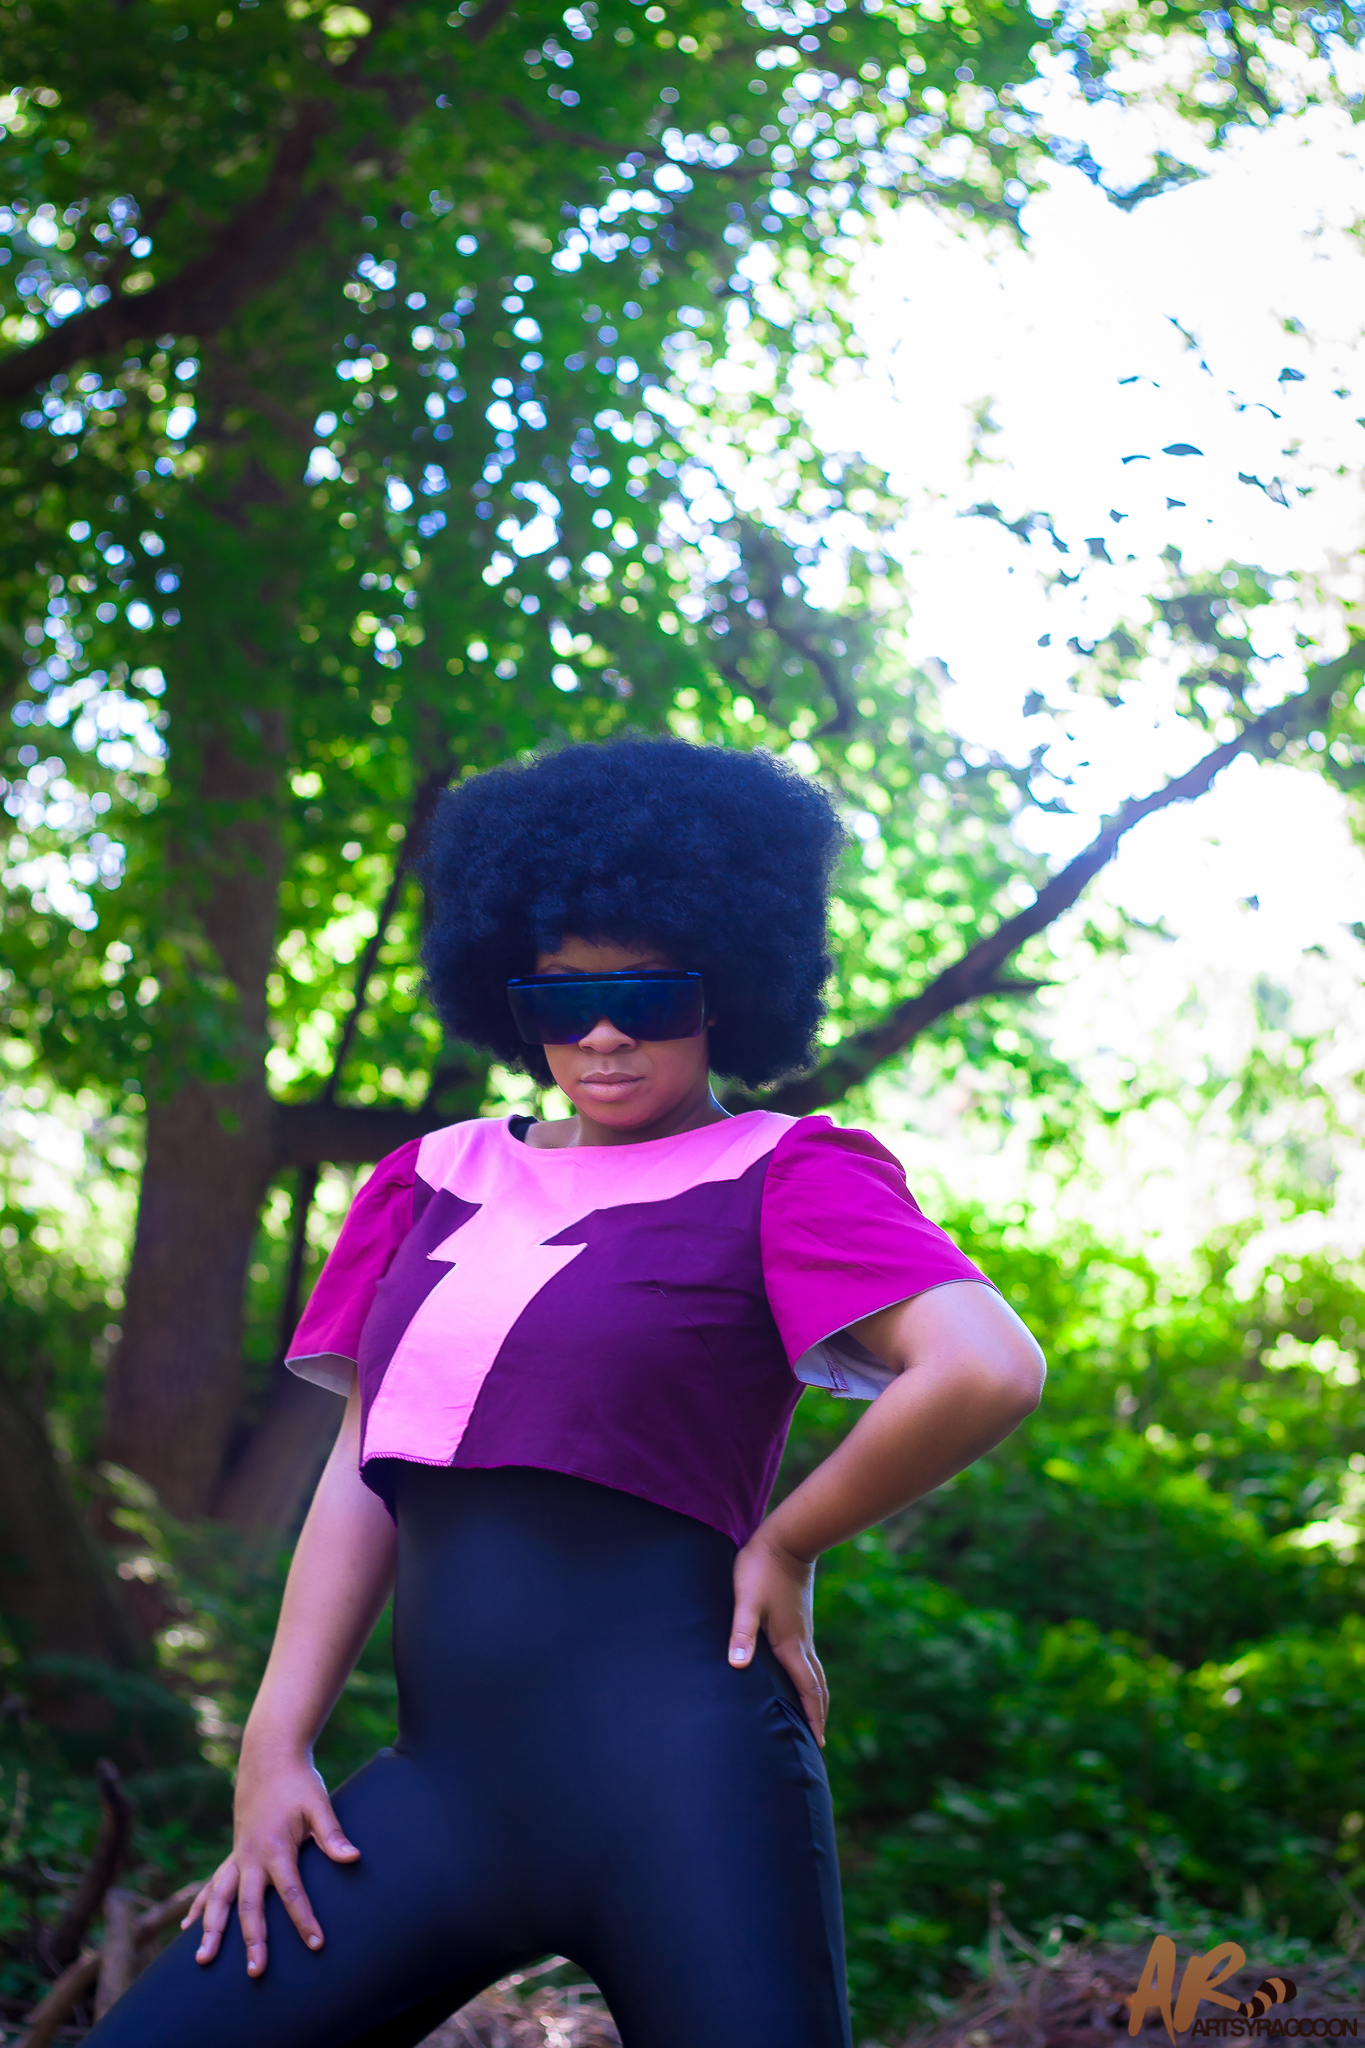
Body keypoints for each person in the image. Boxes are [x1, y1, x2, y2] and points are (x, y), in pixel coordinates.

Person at [87, 736, 1045, 2048]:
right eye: (560, 999)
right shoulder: (428, 1182)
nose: (601, 1034)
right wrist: (274, 1744)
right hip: (440, 1797)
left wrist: (789, 1540)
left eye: (647, 995)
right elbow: (365, 1464)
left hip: (690, 1789)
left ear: (728, 990)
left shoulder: (786, 1175)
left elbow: (987, 1366)